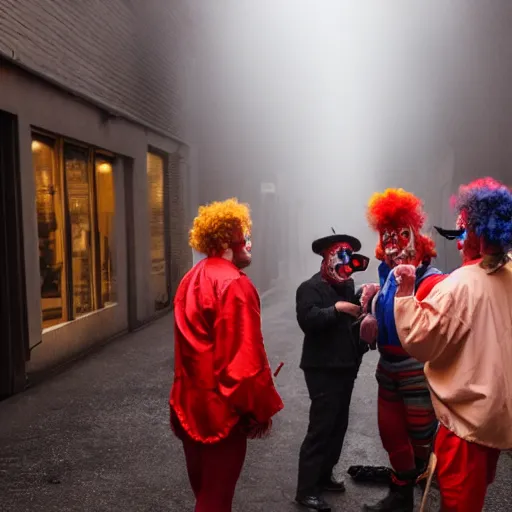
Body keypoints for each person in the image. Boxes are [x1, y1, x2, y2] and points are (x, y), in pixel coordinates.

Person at [393, 179, 512, 512]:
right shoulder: (508, 273)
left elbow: (421, 339)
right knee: (474, 493)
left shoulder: (460, 284)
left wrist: (404, 292)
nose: (458, 238)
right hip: (496, 418)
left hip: (466, 424)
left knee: (459, 501)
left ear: (475, 230)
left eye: (462, 227)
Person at [169, 198, 284, 512]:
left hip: (189, 407)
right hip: (221, 413)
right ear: (223, 240)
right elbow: (243, 363)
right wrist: (260, 410)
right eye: (243, 234)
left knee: (205, 494)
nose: (249, 243)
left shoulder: (189, 279)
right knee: (215, 501)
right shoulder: (234, 284)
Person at [351, 189, 443, 512]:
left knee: (422, 436)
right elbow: (382, 306)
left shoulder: (433, 281)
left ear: (416, 237)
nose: (393, 245)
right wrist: (370, 312)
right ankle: (401, 494)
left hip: (415, 368)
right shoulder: (385, 276)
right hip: (387, 367)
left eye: (401, 235)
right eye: (386, 237)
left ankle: (439, 490)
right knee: (390, 431)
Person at [295, 232, 370, 512]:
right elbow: (308, 319)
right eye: (339, 253)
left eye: (349, 254)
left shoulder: (348, 286)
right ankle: (306, 490)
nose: (344, 260)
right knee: (321, 427)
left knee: (339, 425)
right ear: (327, 257)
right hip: (322, 368)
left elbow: (353, 325)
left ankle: (324, 475)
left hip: (346, 366)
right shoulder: (310, 287)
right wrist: (337, 309)